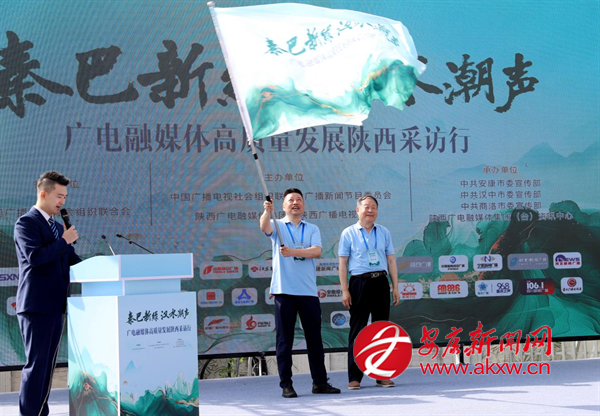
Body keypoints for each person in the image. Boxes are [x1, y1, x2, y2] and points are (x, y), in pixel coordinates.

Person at [260, 188, 340, 398]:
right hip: (284, 291)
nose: (295, 203)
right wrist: (267, 211)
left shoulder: (312, 228)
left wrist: (293, 252)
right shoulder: (278, 225)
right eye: (291, 200)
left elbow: (316, 251)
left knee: (314, 339)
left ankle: (320, 383)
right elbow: (264, 227)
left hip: (307, 292)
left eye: (298, 200)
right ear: (284, 205)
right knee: (284, 340)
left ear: (303, 204)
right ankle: (286, 384)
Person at [14, 171, 81, 416]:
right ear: (44, 194)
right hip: (36, 306)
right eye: (59, 196)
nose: (62, 201)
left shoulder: (54, 227)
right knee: (37, 366)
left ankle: (41, 412)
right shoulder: (26, 223)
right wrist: (63, 241)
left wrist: (103, 266)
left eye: (65, 197)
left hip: (55, 305)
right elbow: (35, 257)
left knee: (47, 367)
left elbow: (71, 260)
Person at [338, 195, 400, 390]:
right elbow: (342, 263)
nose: (370, 210)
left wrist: (395, 286)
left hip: (380, 281)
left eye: (373, 207)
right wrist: (345, 290)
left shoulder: (384, 232)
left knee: (381, 329)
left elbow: (391, 260)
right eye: (366, 207)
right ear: (358, 210)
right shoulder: (348, 233)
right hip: (359, 283)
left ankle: (382, 375)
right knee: (358, 330)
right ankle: (354, 377)